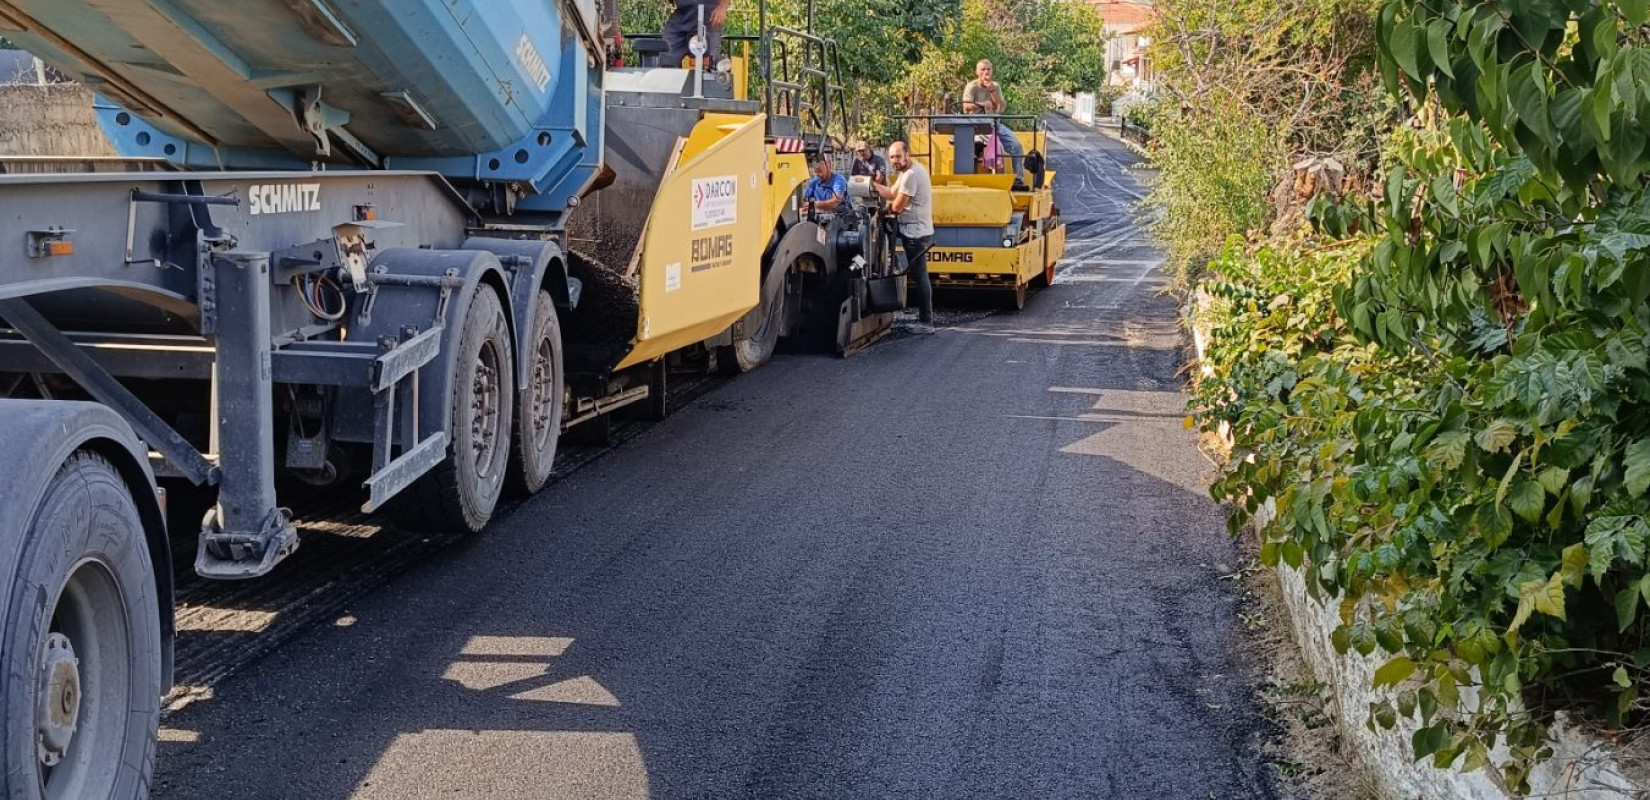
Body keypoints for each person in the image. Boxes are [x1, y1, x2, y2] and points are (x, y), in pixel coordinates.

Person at [873, 141, 934, 333]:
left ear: (907, 154)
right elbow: (891, 193)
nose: (895, 160)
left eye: (898, 156)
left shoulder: (911, 175)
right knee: (918, 273)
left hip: (915, 232)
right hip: (910, 228)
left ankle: (926, 321)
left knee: (920, 275)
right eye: (892, 157)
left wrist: (880, 213)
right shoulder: (905, 173)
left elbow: (897, 206)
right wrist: (870, 184)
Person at [961, 59, 1027, 189]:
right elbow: (966, 106)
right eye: (983, 69)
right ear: (977, 72)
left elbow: (1001, 107)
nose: (986, 72)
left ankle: (1018, 179)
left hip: (995, 123)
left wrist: (992, 92)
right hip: (978, 125)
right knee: (998, 149)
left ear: (992, 71)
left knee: (1017, 146)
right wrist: (982, 104)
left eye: (988, 69)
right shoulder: (972, 86)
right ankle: (1000, 183)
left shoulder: (995, 86)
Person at [662, 0, 729, 69]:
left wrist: (722, 7)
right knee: (665, 55)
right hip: (681, 15)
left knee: (708, 64)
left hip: (708, 17)